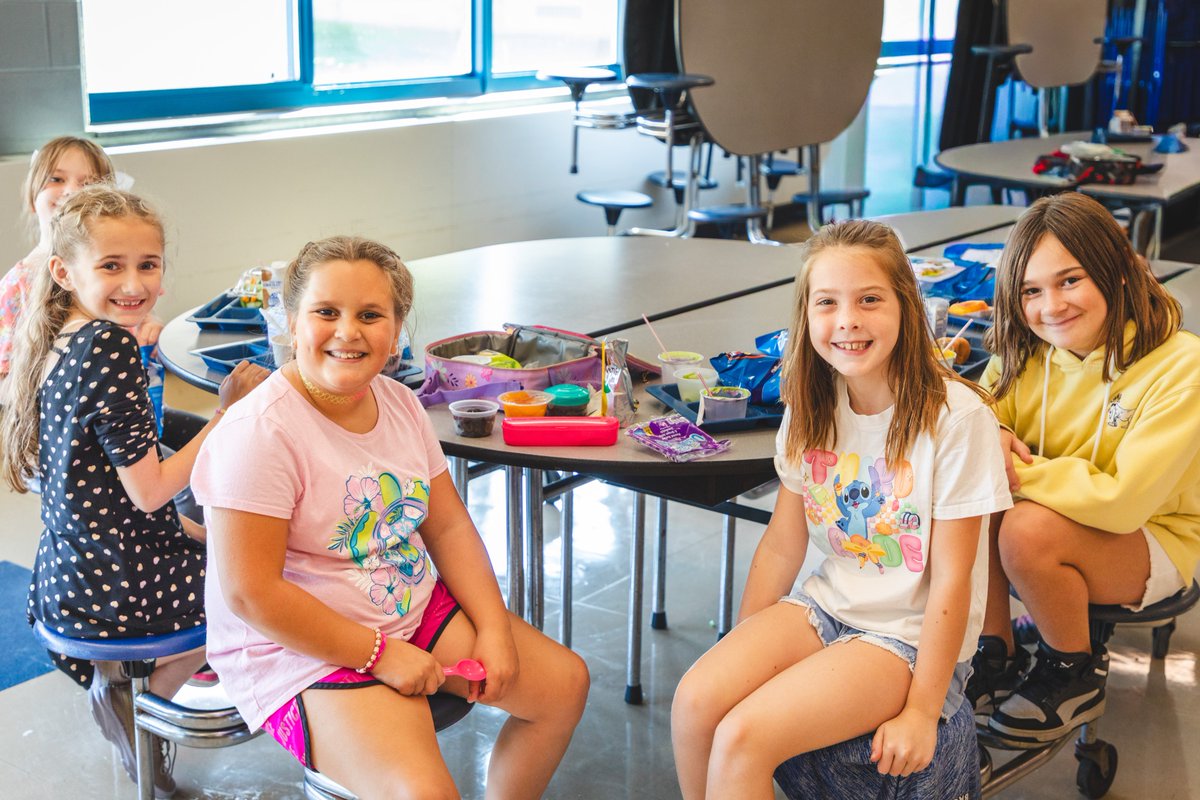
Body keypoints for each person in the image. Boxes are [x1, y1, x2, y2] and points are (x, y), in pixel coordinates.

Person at [191, 235, 589, 799]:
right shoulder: (259, 433)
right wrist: (379, 654)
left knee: (564, 687)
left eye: (370, 315)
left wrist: (495, 629)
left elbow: (448, 525)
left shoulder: (400, 403)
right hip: (298, 647)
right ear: (291, 319)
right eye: (326, 312)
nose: (348, 331)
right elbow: (252, 594)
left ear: (397, 326)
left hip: (404, 606)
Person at [671, 219, 1011, 799]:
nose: (848, 320)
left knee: (743, 738)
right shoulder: (810, 403)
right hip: (825, 605)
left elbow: (955, 580)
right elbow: (783, 543)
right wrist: (743, 648)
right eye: (827, 302)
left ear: (906, 304)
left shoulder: (956, 418)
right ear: (806, 316)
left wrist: (924, 712)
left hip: (903, 634)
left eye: (869, 300)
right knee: (696, 701)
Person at [0, 185, 266, 796]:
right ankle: (151, 698)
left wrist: (193, 531)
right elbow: (150, 494)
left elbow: (106, 489)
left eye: (148, 264)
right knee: (262, 585)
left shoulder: (57, 335)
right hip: (120, 579)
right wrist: (226, 416)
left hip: (69, 567)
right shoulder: (111, 346)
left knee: (214, 539)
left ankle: (122, 685)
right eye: (112, 266)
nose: (135, 282)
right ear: (65, 272)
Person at [969, 192, 1200, 743]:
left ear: (1118, 271)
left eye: (1070, 280)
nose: (1051, 306)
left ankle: (1071, 670)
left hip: (1153, 534)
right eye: (1031, 290)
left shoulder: (1181, 366)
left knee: (1024, 529)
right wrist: (996, 431)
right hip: (1063, 519)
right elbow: (973, 417)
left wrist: (1010, 468)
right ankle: (992, 651)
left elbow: (1123, 503)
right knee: (966, 499)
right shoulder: (1024, 350)